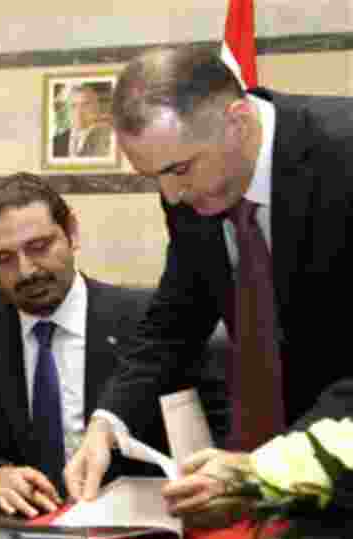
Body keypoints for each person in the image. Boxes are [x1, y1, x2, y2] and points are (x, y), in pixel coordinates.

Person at [66, 45, 353, 510]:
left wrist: (274, 467)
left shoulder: (343, 152)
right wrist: (109, 421)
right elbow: (176, 317)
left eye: (179, 169)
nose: (172, 194)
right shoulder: (190, 188)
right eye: (153, 177)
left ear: (237, 122)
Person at [0, 173, 218, 518]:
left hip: (131, 528)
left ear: (72, 232)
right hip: (18, 526)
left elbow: (207, 435)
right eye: (3, 258)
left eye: (39, 247)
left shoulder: (151, 323)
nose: (27, 270)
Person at [52, 83, 114, 158]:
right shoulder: (56, 141)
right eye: (73, 106)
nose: (78, 112)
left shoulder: (110, 139)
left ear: (97, 108)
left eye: (85, 105)